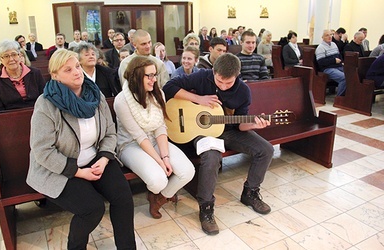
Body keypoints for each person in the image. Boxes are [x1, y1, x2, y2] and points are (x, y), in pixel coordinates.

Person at [26, 49, 136, 250]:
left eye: (77, 66)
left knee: (123, 197)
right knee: (92, 209)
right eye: (68, 70)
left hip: (95, 159)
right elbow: (42, 150)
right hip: (58, 167)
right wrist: (78, 172)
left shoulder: (95, 94)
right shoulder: (46, 104)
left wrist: (103, 159)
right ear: (56, 76)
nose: (77, 72)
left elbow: (110, 133)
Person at [163, 53, 273, 235]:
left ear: (237, 75)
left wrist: (254, 123)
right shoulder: (202, 76)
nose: (222, 86)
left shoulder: (243, 91)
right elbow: (169, 87)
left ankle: (250, 193)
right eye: (219, 81)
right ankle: (206, 207)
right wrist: (199, 99)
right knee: (212, 157)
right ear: (213, 71)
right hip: (203, 132)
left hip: (229, 131)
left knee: (266, 149)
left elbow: (240, 124)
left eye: (228, 83)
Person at [114, 56, 194, 219]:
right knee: (158, 180)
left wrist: (165, 157)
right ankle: (159, 191)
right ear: (136, 76)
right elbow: (138, 135)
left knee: (187, 172)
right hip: (130, 144)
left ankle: (158, 198)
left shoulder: (158, 94)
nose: (154, 79)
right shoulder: (121, 100)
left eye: (155, 74)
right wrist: (159, 161)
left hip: (155, 140)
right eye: (149, 75)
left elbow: (160, 127)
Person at [0, 40, 45, 111]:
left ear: (19, 55)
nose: (11, 59)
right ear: (1, 59)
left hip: (38, 114)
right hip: (9, 119)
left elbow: (44, 98)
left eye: (14, 54)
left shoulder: (35, 73)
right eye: (6, 56)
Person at [315, 29, 346, 96]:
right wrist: (334, 61)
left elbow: (339, 55)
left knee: (351, 75)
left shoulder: (334, 44)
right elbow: (321, 62)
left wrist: (341, 62)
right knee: (344, 78)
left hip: (338, 66)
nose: (330, 36)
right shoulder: (321, 48)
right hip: (328, 69)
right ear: (322, 37)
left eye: (331, 35)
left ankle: (348, 97)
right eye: (327, 35)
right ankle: (339, 98)